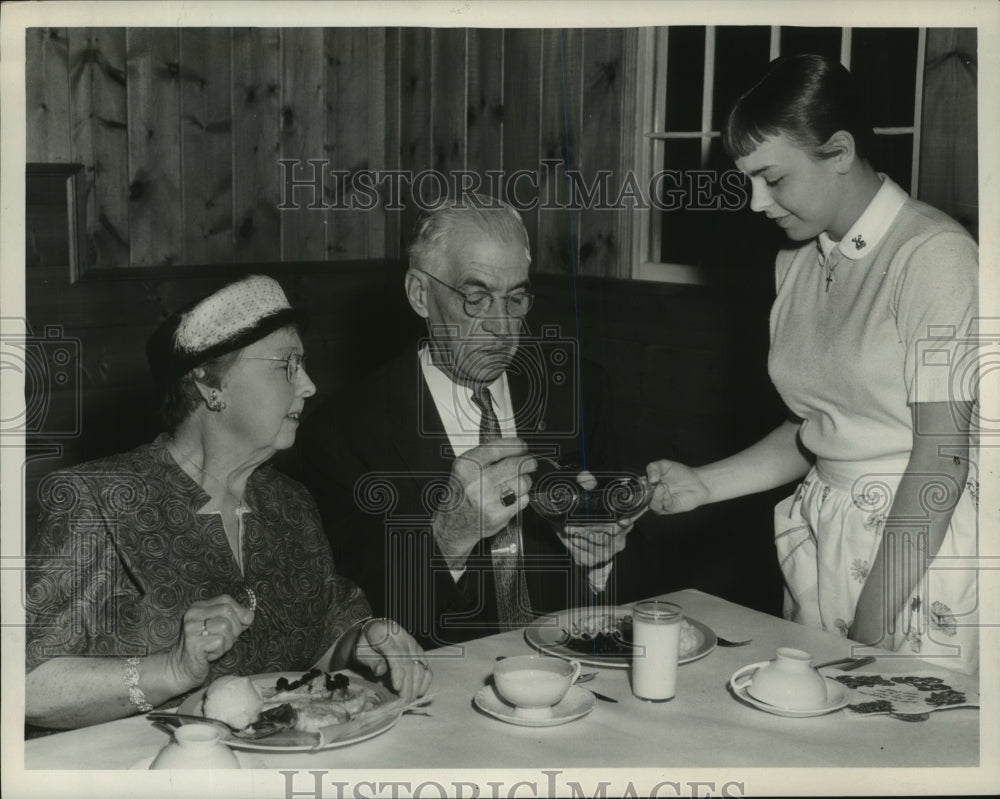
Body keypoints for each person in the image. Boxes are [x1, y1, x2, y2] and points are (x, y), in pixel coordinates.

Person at [646, 54, 979, 673]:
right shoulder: (796, 264)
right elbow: (823, 430)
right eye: (747, 180)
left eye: (773, 178)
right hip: (825, 540)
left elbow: (943, 459)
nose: (755, 202)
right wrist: (705, 484)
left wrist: (870, 629)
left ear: (841, 151)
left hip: (918, 555)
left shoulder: (934, 256)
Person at [25, 275, 432, 730]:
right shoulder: (97, 500)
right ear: (208, 384)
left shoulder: (289, 503)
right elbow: (26, 685)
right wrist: (171, 669)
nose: (310, 385)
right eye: (287, 365)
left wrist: (363, 640)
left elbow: (321, 634)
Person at [296, 196, 638, 649]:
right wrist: (448, 538)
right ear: (420, 294)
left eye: (516, 299)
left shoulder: (579, 391)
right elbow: (351, 623)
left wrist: (601, 560)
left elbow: (632, 582)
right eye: (476, 299)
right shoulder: (343, 432)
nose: (502, 326)